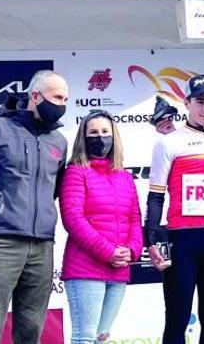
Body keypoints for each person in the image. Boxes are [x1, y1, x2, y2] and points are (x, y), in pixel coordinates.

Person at [0, 70, 69, 344]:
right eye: (56, 97)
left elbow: (53, 191)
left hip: (42, 247)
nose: (62, 104)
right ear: (35, 96)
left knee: (31, 331)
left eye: (66, 99)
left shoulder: (60, 142)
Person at [144, 75, 204, 344]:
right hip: (182, 239)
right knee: (177, 317)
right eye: (200, 102)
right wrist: (152, 240)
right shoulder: (169, 142)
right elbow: (155, 197)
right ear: (187, 103)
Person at [59, 110, 143, 344]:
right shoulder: (76, 172)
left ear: (114, 137)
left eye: (105, 132)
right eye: (93, 133)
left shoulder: (125, 177)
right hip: (85, 269)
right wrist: (109, 252)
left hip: (118, 271)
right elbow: (72, 218)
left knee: (102, 338)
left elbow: (134, 219)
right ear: (83, 139)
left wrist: (132, 250)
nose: (100, 137)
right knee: (85, 338)